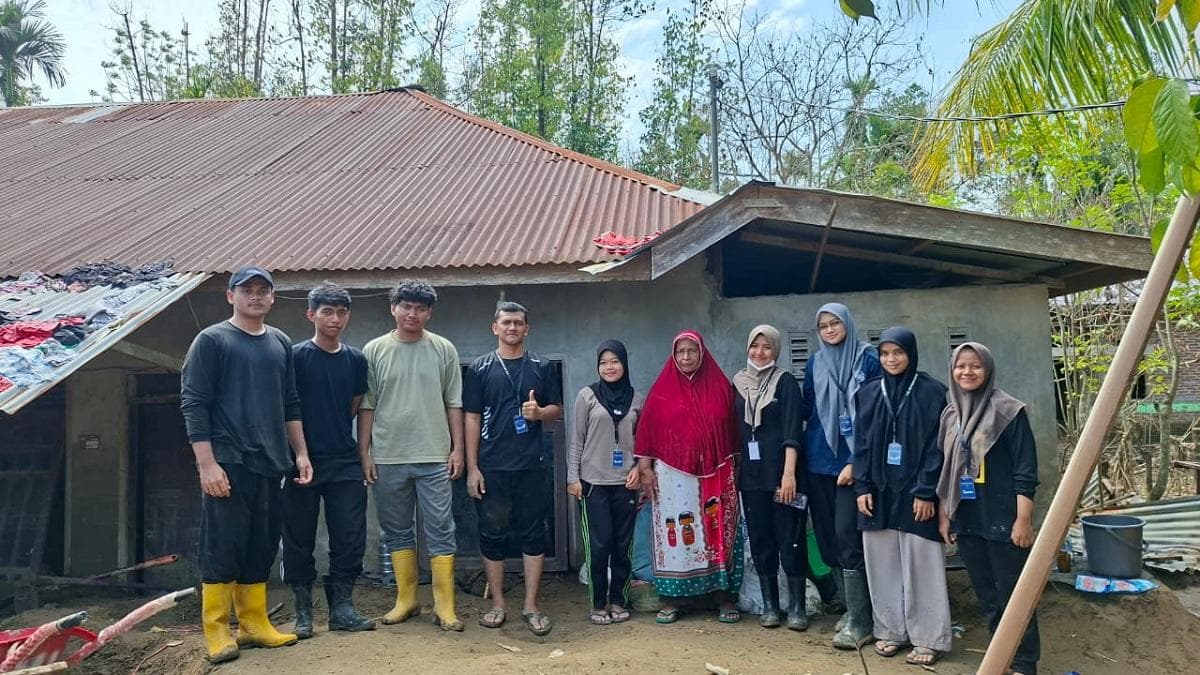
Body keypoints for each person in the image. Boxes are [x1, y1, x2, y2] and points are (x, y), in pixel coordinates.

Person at [180, 266, 312, 664]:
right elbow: (194, 403)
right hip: (229, 461)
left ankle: (254, 624)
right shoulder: (212, 340)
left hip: (272, 463)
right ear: (230, 296)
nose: (256, 297)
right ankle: (217, 629)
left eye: (263, 291)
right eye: (247, 290)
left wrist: (300, 453)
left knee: (262, 544)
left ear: (273, 298)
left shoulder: (280, 342)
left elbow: (290, 402)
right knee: (224, 545)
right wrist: (207, 465)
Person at [359, 280, 465, 632]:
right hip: (388, 455)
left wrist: (457, 448)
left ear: (429, 313)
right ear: (393, 309)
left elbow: (454, 402)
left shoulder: (444, 349)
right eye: (406, 306)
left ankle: (444, 605)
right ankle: (406, 600)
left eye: (420, 308)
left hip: (435, 454)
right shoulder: (374, 350)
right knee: (397, 530)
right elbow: (367, 406)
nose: (412, 314)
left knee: (440, 529)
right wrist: (366, 453)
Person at [937, 342, 1040, 675]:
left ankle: (1024, 663)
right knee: (987, 593)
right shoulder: (951, 414)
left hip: (1003, 517)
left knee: (1014, 594)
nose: (967, 372)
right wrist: (946, 514)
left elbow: (1025, 470)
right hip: (968, 517)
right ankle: (1002, 658)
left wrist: (1023, 519)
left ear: (988, 369)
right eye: (961, 366)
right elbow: (946, 468)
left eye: (975, 366)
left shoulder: (1009, 411)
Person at [852, 327, 951, 667]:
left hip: (916, 493)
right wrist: (862, 487)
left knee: (923, 565)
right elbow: (861, 446)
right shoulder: (866, 394)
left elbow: (937, 447)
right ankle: (890, 629)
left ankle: (929, 637)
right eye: (885, 354)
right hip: (877, 491)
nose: (891, 360)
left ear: (911, 354)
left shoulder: (932, 392)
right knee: (882, 565)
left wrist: (926, 491)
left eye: (898, 353)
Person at [281, 283, 375, 638]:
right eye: (327, 312)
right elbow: (287, 408)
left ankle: (342, 609)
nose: (335, 319)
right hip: (300, 461)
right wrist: (301, 452)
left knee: (350, 536)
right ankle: (303, 612)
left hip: (343, 460)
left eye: (341, 312)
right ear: (311, 315)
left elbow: (354, 406)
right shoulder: (294, 357)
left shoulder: (355, 360)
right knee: (298, 536)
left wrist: (361, 453)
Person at [465, 301, 562, 636]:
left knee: (532, 533)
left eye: (518, 323)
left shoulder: (542, 366)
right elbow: (472, 418)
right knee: (491, 534)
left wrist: (539, 414)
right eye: (506, 322)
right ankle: (498, 604)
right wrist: (472, 467)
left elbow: (557, 409)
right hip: (491, 466)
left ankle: (532, 606)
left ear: (527, 328)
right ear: (495, 327)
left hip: (531, 465)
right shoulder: (479, 369)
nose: (512, 328)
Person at [636, 330, 744, 625]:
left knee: (715, 531)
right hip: (673, 480)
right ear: (674, 355)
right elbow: (646, 433)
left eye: (691, 351)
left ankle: (722, 596)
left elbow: (733, 431)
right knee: (677, 534)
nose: (685, 357)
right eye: (680, 352)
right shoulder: (660, 391)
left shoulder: (721, 387)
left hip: (716, 476)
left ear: (701, 353)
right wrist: (645, 469)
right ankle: (673, 598)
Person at [801, 302, 880, 648]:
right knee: (828, 538)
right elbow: (806, 408)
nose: (830, 330)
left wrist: (855, 461)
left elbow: (876, 413)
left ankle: (863, 621)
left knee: (849, 539)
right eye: (823, 326)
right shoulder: (815, 363)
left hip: (853, 464)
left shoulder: (868, 359)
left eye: (835, 323)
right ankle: (851, 611)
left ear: (847, 323)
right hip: (818, 460)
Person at [733, 325, 809, 630]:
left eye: (767, 347)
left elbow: (793, 431)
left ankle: (797, 608)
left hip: (783, 477)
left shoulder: (786, 382)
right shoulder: (738, 383)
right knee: (762, 540)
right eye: (755, 346)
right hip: (752, 480)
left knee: (790, 539)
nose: (759, 352)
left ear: (776, 351)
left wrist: (789, 474)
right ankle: (770, 607)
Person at [567, 340, 644, 625]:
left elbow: (643, 443)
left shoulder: (637, 399)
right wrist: (572, 478)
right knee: (599, 546)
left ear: (624, 364)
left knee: (622, 546)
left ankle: (619, 600)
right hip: (592, 483)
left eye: (615, 361)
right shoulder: (586, 396)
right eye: (604, 362)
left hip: (626, 483)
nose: (609, 367)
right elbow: (576, 440)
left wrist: (638, 467)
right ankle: (599, 603)